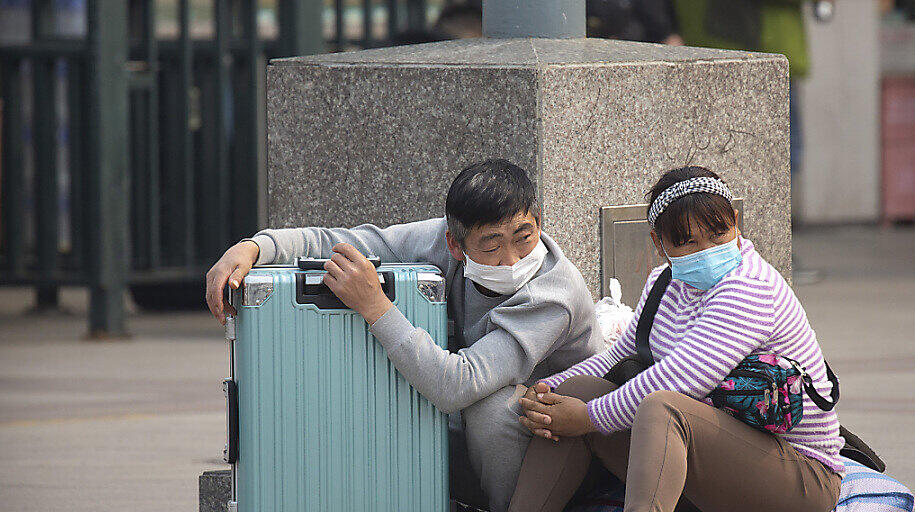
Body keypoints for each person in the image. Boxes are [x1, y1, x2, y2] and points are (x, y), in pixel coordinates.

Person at [204, 159, 605, 512]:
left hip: (564, 452)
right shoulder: (436, 241)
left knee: (492, 408)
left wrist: (376, 307)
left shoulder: (555, 293)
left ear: (539, 220)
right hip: (480, 442)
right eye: (492, 246)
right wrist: (255, 247)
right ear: (455, 245)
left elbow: (457, 385)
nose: (513, 259)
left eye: (524, 236)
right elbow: (344, 243)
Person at [508, 166, 843, 512]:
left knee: (661, 406)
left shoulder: (750, 287)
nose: (707, 250)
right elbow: (617, 356)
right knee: (575, 391)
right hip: (717, 461)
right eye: (688, 242)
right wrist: (546, 389)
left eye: (718, 234)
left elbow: (682, 379)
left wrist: (588, 417)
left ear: (737, 222)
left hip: (799, 475)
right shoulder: (663, 283)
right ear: (658, 242)